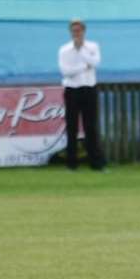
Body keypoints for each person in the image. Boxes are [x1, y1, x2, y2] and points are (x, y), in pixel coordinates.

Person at [57, 19, 106, 171]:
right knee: (71, 127)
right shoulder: (64, 50)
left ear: (83, 31)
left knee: (91, 126)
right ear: (70, 32)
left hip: (89, 88)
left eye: (79, 30)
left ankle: (96, 163)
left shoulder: (92, 46)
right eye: (74, 31)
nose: (76, 33)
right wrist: (83, 66)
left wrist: (81, 51)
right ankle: (71, 164)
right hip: (72, 89)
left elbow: (95, 62)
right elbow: (66, 72)